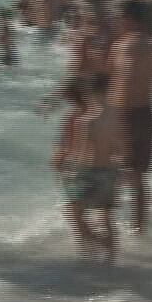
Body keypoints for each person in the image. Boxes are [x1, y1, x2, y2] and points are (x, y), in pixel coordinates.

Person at [107, 0, 152, 235]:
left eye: (117, 17)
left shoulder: (123, 47)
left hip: (124, 115)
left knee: (121, 171)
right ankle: (138, 225)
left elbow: (116, 83)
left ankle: (120, 224)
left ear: (128, 19)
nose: (115, 21)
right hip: (145, 113)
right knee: (134, 175)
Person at [54, 75, 123, 263]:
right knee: (106, 216)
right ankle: (110, 260)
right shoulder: (116, 118)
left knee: (73, 212)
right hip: (110, 170)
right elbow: (120, 150)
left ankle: (94, 245)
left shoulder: (85, 121)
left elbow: (81, 151)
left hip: (87, 170)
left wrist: (67, 170)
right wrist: (120, 174)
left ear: (91, 95)